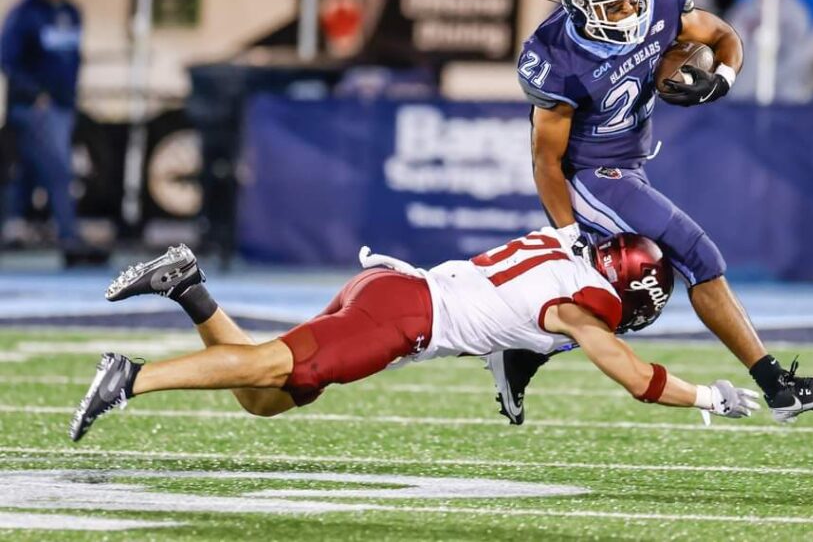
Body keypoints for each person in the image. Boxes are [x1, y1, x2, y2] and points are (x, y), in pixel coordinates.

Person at [487, 0, 813, 426]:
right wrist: (568, 235)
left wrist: (723, 78)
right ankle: (776, 386)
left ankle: (522, 352)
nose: (631, 13)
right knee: (696, 255)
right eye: (614, 7)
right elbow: (547, 160)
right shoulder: (555, 56)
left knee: (631, 291)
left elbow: (723, 37)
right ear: (579, 7)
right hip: (589, 174)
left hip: (629, 164)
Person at [69, 232, 761, 442]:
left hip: (393, 290)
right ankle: (130, 376)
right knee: (269, 361)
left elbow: (515, 334)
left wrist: (511, 373)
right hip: (402, 316)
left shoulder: (566, 244)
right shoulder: (581, 308)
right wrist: (712, 394)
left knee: (264, 397)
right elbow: (636, 378)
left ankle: (188, 283)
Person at [0, 0, 100, 263]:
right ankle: (69, 234)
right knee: (59, 168)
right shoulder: (25, 13)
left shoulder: (71, 12)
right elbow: (7, 59)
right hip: (34, 107)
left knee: (30, 168)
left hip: (62, 104)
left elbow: (70, 59)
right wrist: (35, 94)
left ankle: (14, 226)